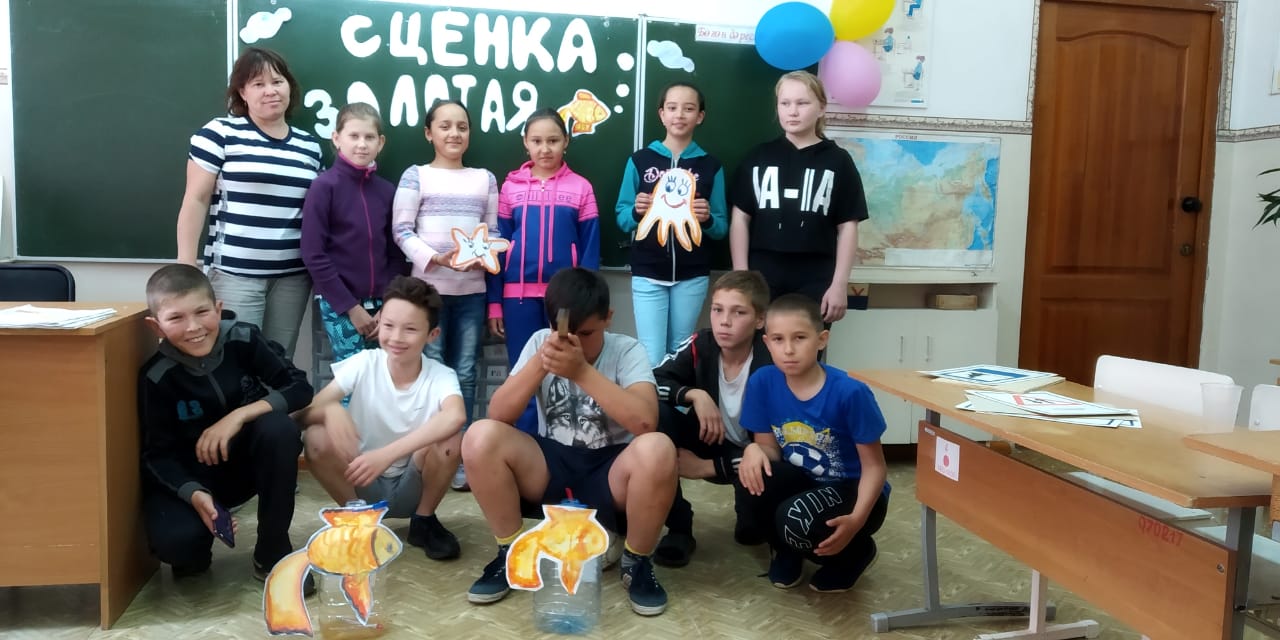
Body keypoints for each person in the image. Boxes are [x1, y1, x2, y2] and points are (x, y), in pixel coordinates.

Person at [460, 268, 676, 616]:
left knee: (658, 448)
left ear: (608, 318)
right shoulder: (538, 343)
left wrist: (581, 372)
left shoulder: (627, 350)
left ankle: (636, 562)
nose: (574, 344)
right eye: (564, 333)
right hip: (552, 465)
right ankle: (512, 552)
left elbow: (645, 421)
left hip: (610, 471)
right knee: (479, 436)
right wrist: (541, 362)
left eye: (586, 333)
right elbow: (498, 415)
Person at [138, 264, 313, 590]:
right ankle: (197, 541)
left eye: (202, 312)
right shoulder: (156, 377)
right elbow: (156, 456)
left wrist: (238, 416)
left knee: (279, 429)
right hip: (197, 476)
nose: (193, 327)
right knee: (180, 549)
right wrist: (194, 494)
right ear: (156, 326)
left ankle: (273, 550)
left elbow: (299, 387)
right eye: (176, 318)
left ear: (218, 309)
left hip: (245, 467)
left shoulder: (244, 339)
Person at [297, 276, 467, 560]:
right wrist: (329, 410)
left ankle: (424, 521)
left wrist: (386, 455)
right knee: (316, 435)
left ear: (432, 335)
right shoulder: (364, 363)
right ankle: (357, 520)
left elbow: (456, 416)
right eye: (388, 325)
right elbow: (303, 416)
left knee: (451, 437)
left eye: (410, 329)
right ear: (378, 324)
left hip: (414, 484)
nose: (396, 337)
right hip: (361, 478)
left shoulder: (441, 375)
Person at [176, 47, 322, 359]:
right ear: (242, 92)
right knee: (235, 361)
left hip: (293, 277)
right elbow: (196, 199)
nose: (270, 91)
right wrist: (186, 264)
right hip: (235, 274)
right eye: (258, 84)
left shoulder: (309, 146)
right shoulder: (219, 134)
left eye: (277, 81)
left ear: (289, 87)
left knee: (279, 361)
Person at [738, 294, 890, 593]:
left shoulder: (850, 392)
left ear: (822, 340)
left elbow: (875, 468)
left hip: (853, 490)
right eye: (778, 339)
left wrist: (857, 520)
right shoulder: (763, 382)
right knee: (750, 479)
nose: (788, 349)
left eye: (799, 338)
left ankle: (856, 553)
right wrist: (753, 449)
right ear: (767, 343)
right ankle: (786, 551)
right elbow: (769, 449)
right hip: (803, 480)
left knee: (795, 520)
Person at [393, 99, 499, 490]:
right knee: (431, 371)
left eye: (462, 127)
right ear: (429, 133)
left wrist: (484, 256)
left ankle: (459, 456)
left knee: (465, 372)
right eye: (445, 126)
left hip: (471, 292)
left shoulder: (484, 179)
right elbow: (401, 231)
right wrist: (435, 258)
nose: (454, 133)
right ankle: (427, 454)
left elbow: (492, 233)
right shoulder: (416, 175)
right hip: (427, 294)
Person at [651, 270, 773, 567]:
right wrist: (693, 395)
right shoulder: (701, 344)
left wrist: (707, 468)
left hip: (755, 454)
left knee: (751, 533)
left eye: (738, 312)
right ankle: (679, 528)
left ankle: (751, 510)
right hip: (707, 438)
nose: (724, 321)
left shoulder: (772, 360)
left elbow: (778, 451)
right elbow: (649, 382)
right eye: (718, 310)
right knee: (655, 416)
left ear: (760, 320)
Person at [728, 70, 869, 326]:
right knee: (761, 344)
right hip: (763, 273)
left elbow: (848, 226)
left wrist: (839, 284)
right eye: (785, 103)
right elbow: (740, 218)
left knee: (806, 344)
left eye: (802, 103)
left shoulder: (838, 161)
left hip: (816, 274)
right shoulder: (758, 157)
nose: (792, 111)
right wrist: (741, 278)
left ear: (821, 108)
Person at [490, 108, 600, 433]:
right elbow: (496, 249)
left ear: (566, 141)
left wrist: (587, 303)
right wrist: (495, 303)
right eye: (537, 141)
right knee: (523, 373)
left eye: (553, 140)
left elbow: (590, 249)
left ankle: (562, 444)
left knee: (565, 370)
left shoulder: (581, 188)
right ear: (525, 143)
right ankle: (526, 443)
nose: (545, 148)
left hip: (565, 300)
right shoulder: (509, 189)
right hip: (518, 298)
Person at [615, 82, 728, 366]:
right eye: (672, 107)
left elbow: (721, 227)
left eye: (688, 108)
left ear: (700, 116)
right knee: (651, 353)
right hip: (647, 271)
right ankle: (652, 397)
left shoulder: (711, 166)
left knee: (680, 352)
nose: (679, 115)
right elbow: (622, 217)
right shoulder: (640, 160)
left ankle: (675, 396)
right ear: (661, 114)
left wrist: (707, 219)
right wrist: (637, 211)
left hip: (692, 273)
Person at [301, 103, 404, 364]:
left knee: (386, 374)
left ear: (380, 142)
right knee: (353, 375)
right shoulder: (323, 187)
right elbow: (313, 253)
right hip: (340, 303)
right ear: (337, 138)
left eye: (369, 137)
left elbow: (396, 253)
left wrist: (388, 303)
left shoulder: (387, 191)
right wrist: (350, 307)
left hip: (384, 305)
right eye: (354, 136)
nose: (361, 144)